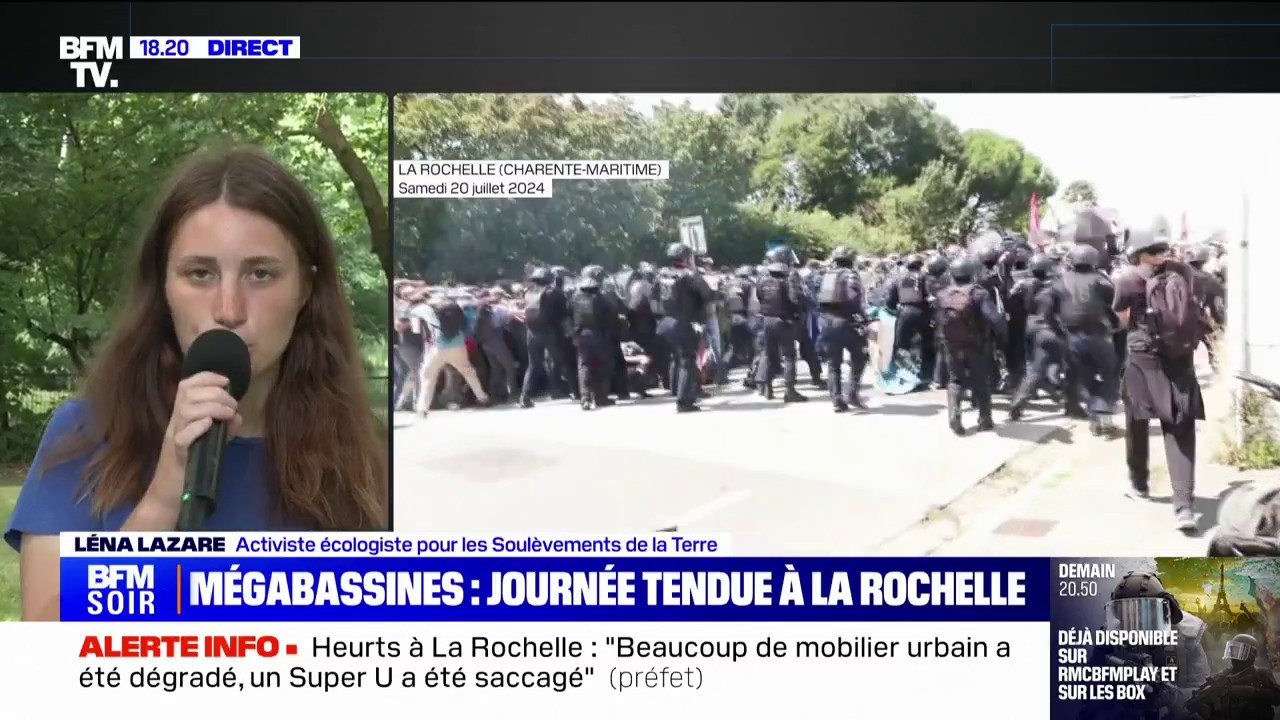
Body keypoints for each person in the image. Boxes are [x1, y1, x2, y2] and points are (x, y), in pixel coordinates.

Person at [4, 146, 389, 620]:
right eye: (200, 273)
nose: (229, 309)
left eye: (261, 274)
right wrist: (164, 497)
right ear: (163, 286)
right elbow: (45, 661)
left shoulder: (366, 451)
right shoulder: (84, 436)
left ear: (306, 289)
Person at [1112, 227, 1205, 533]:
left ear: (1137, 252)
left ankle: (1139, 483)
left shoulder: (1127, 279)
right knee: (1180, 430)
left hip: (1143, 358)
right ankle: (1184, 507)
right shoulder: (1184, 273)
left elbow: (1122, 318)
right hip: (1179, 360)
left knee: (1137, 421)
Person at [936, 256, 1005, 435]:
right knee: (980, 382)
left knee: (955, 381)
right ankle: (985, 419)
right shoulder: (978, 293)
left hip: (951, 345)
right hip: (976, 345)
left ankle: (954, 414)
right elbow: (995, 319)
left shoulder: (943, 295)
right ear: (972, 273)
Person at [1186, 634, 1280, 720]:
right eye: (1233, 650)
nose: (1234, 655)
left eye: (1240, 651)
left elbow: (1277, 697)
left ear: (1253, 654)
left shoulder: (1260, 674)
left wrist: (1250, 691)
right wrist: (1208, 712)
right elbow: (1217, 711)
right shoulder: (1222, 675)